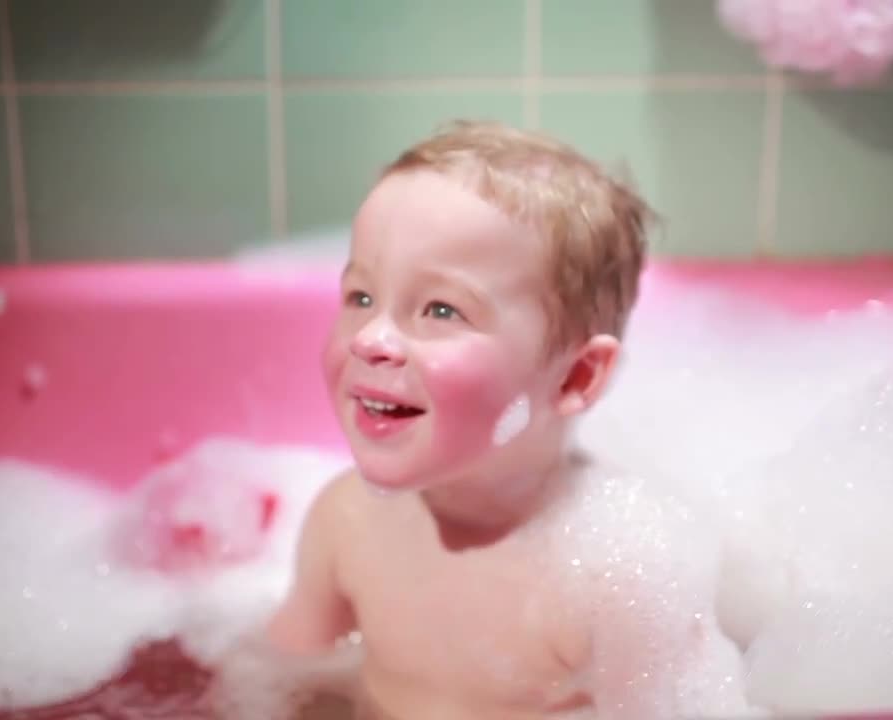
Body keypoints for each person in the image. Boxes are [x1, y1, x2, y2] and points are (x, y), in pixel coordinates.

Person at [266, 120, 755, 719]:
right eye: (360, 297)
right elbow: (282, 683)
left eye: (441, 309)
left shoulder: (622, 570)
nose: (371, 338)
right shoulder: (345, 519)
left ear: (575, 378)